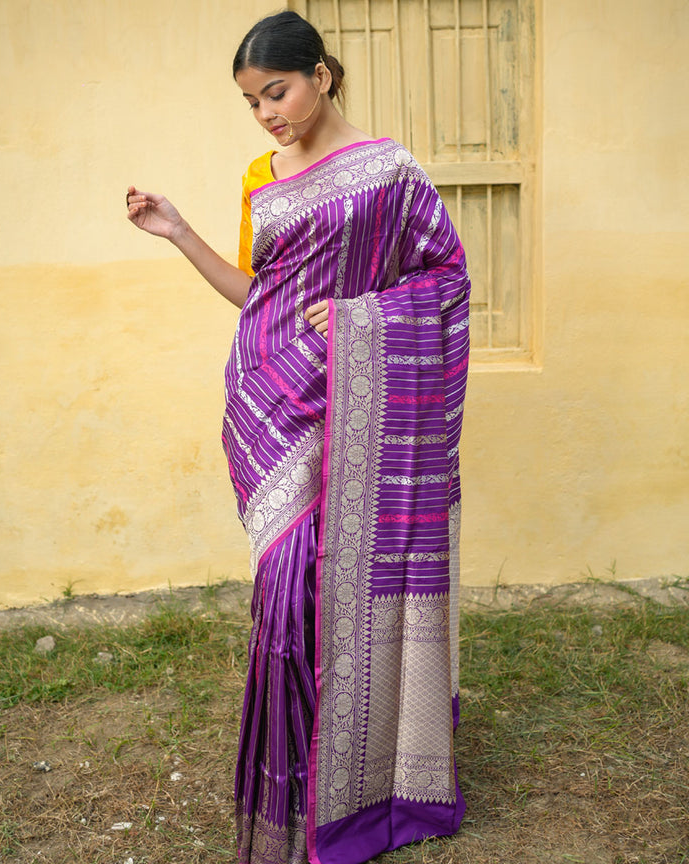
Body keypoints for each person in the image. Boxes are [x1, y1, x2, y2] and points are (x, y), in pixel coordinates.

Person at [127, 11, 471, 864]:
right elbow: (258, 296)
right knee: (286, 583)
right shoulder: (262, 178)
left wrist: (365, 317)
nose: (267, 115)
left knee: (324, 582)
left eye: (275, 93)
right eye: (250, 103)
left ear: (322, 74)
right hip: (266, 400)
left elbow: (447, 277)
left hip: (352, 395)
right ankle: (302, 781)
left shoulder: (390, 172)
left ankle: (357, 787)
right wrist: (177, 232)